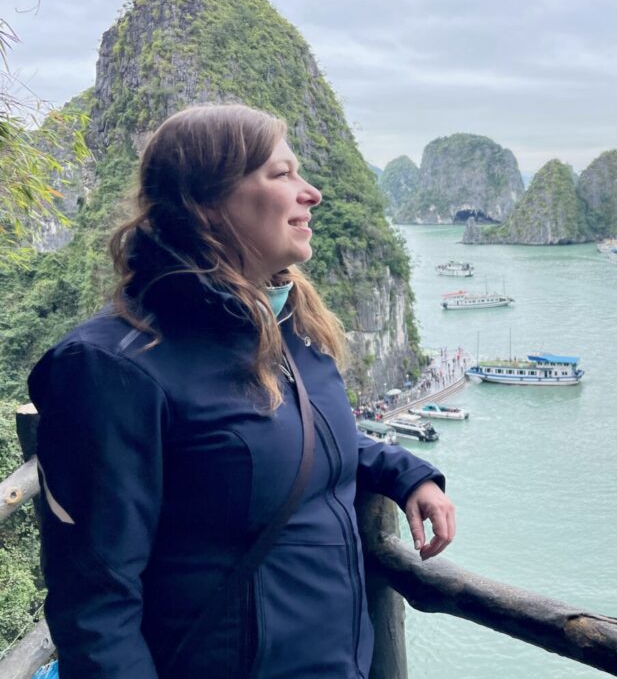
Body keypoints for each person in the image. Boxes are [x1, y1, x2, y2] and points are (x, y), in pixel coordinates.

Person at [27, 104, 455, 678]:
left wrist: (404, 472)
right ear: (205, 202)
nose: (312, 193)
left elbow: (284, 440)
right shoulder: (111, 368)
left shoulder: (285, 327)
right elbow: (95, 605)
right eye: (282, 175)